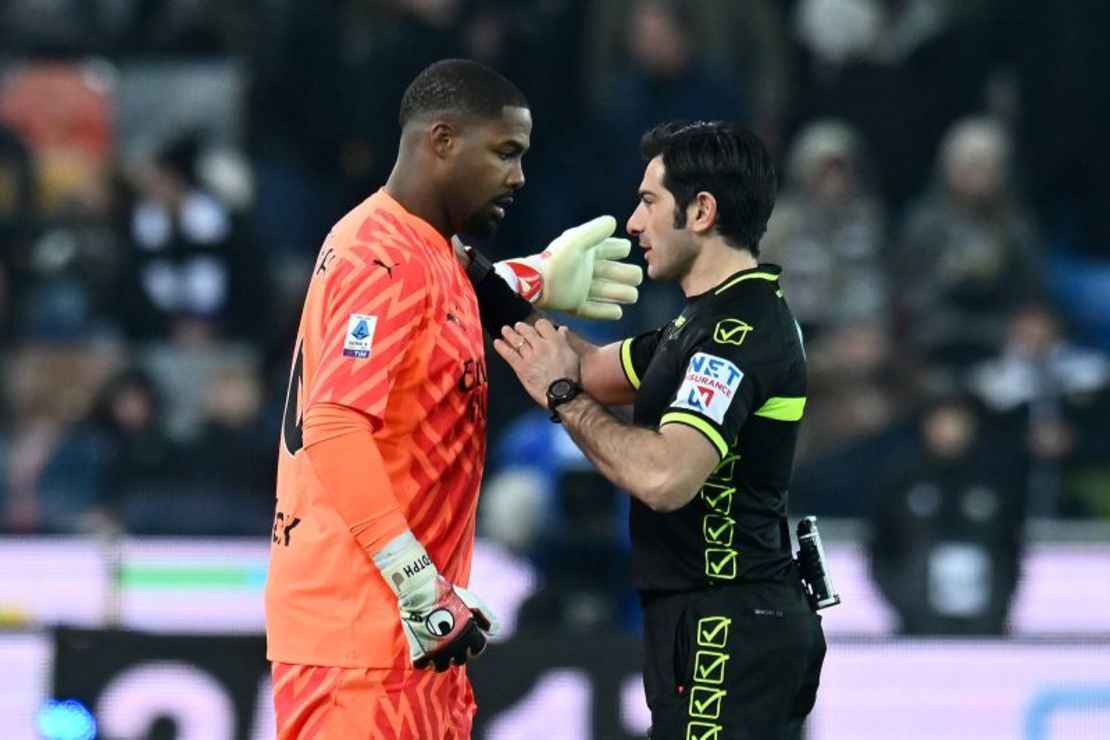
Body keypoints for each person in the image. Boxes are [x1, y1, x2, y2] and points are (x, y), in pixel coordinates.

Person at [264, 59, 641, 738]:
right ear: (440, 141)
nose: (519, 177)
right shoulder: (380, 255)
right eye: (505, 152)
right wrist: (415, 581)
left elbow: (442, 296)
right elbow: (334, 423)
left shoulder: (423, 251)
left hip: (410, 636)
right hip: (365, 635)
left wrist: (534, 276)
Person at [492, 121, 826, 739]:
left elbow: (664, 475)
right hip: (711, 623)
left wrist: (562, 398)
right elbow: (585, 365)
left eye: (649, 202)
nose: (634, 224)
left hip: (728, 625)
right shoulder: (699, 327)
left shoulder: (736, 335)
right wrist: (509, 281)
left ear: (701, 211)